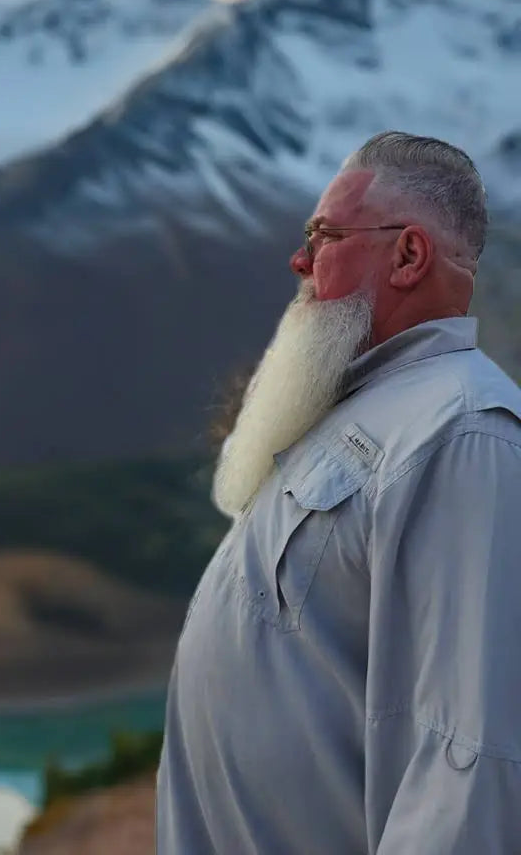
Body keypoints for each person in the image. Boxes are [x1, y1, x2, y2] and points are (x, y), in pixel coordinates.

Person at [156, 131, 521, 853]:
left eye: (322, 235)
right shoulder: (367, 408)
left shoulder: (461, 433)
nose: (300, 259)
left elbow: (470, 758)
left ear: (408, 255)